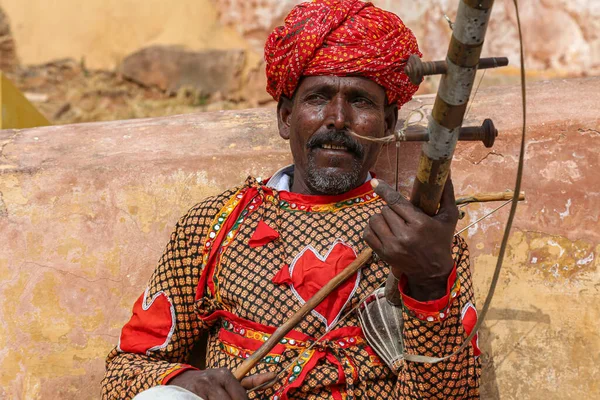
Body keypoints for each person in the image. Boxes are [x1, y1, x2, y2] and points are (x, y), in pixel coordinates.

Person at [101, 0, 481, 399]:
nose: (337, 118)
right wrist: (187, 382)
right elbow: (126, 371)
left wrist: (430, 279)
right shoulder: (215, 225)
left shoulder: (420, 235)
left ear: (387, 125)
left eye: (360, 100)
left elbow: (453, 395)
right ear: (285, 117)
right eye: (318, 97)